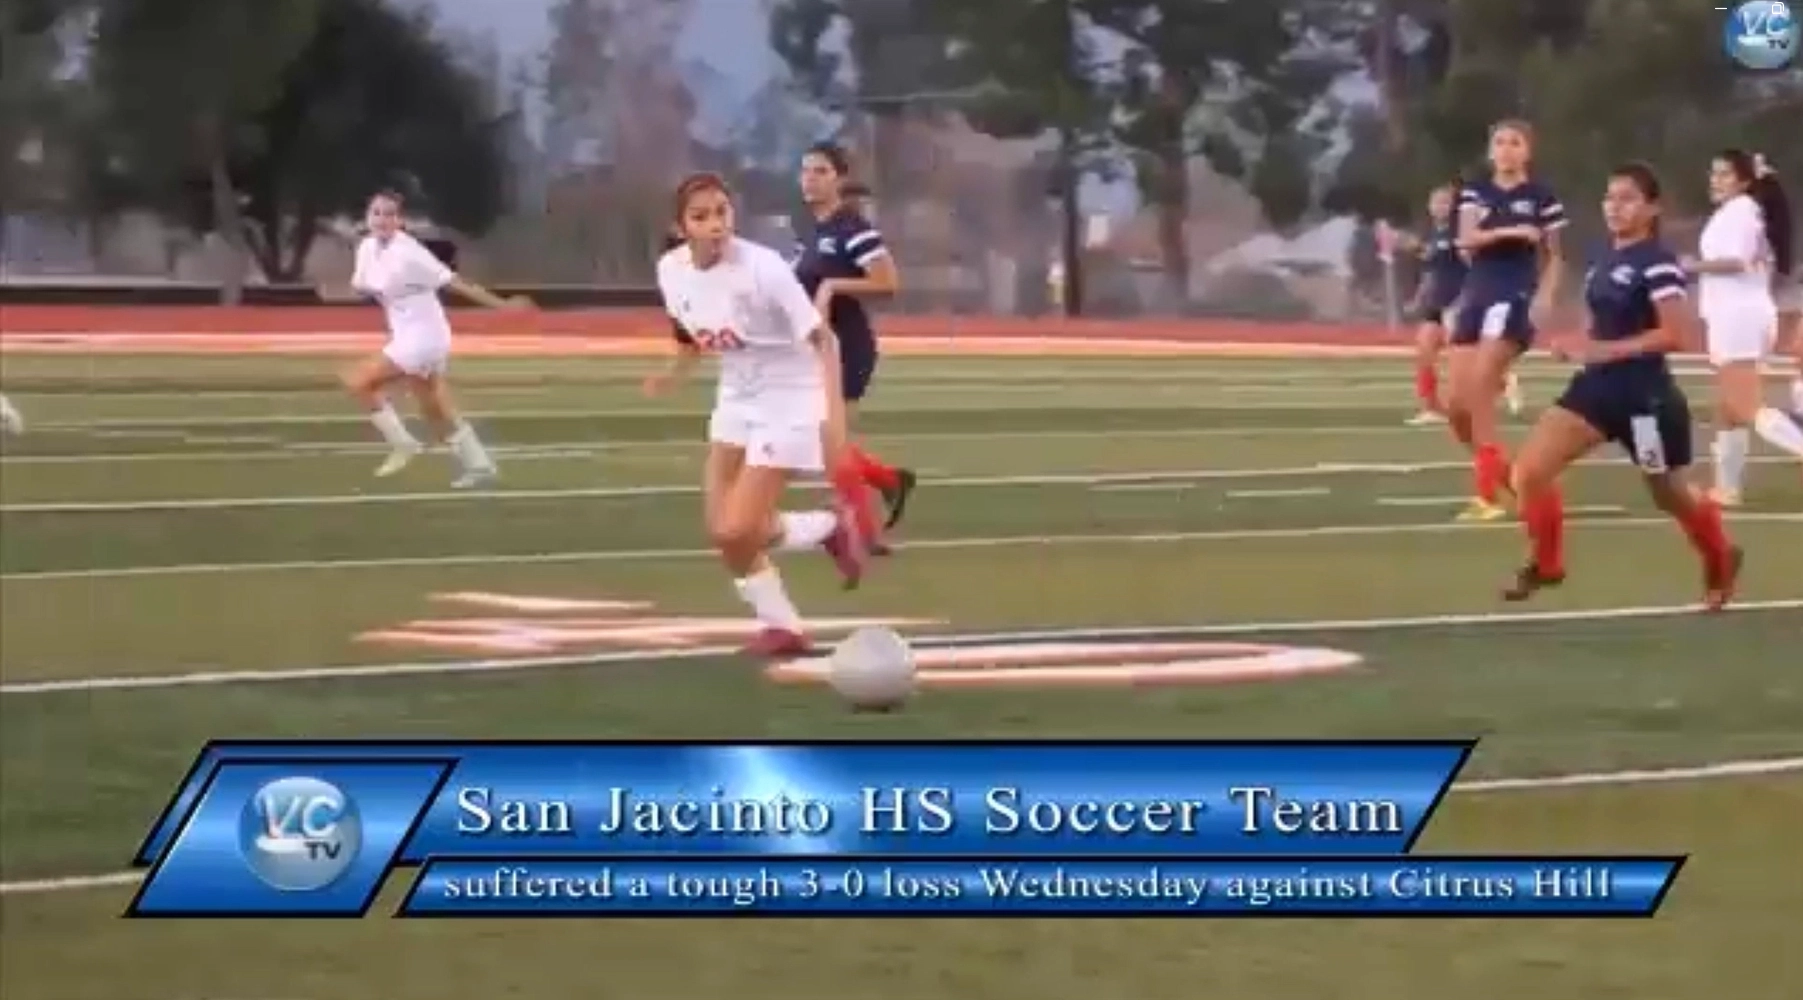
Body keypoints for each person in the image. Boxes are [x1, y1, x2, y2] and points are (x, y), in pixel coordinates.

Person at [645, 172, 867, 657]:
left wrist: (834, 419)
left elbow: (822, 339)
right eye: (700, 217)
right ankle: (785, 624)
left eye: (721, 213)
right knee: (724, 533)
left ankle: (828, 527)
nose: (715, 225)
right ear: (680, 226)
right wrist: (671, 375)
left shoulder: (763, 269)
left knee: (737, 528)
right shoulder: (671, 270)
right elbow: (689, 334)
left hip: (789, 396)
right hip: (736, 394)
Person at [1504, 162, 1741, 610]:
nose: (1615, 206)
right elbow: (1597, 323)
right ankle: (1548, 564)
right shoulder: (1602, 256)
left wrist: (1604, 350)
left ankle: (1720, 554)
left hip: (1643, 402)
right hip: (1594, 392)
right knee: (1529, 473)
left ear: (1652, 208)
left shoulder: (1659, 264)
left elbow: (1676, 335)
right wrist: (1578, 342)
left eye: (1627, 198)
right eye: (1610, 197)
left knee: (1667, 492)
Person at [343, 190, 522, 487]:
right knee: (434, 410)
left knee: (358, 380)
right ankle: (480, 465)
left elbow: (456, 283)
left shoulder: (410, 252)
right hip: (405, 335)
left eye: (389, 214)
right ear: (367, 217)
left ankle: (403, 445)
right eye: (376, 213)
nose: (382, 220)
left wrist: (501, 306)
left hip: (425, 336)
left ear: (400, 220)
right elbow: (361, 285)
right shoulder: (367, 248)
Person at [794, 142, 915, 551]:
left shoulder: (854, 229)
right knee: (819, 441)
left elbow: (887, 282)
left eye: (821, 171)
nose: (810, 178)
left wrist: (833, 285)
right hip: (816, 350)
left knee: (831, 441)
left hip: (847, 348)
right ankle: (887, 481)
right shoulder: (814, 231)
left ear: (839, 179)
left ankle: (865, 533)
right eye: (806, 171)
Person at [1448, 120, 1566, 521]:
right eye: (1498, 142)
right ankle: (1513, 478)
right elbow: (1465, 239)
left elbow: (1554, 254)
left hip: (1513, 295)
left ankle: (1486, 497)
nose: (1506, 150)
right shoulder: (1475, 192)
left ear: (1527, 151)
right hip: (1476, 294)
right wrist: (1512, 230)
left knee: (1481, 389)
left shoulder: (1541, 196)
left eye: (1514, 143)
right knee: (1457, 407)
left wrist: (1546, 297)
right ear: (1489, 151)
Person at [1684, 149, 1803, 505]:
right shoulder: (1737, 212)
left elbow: (1737, 261)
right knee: (1728, 410)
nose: (1715, 180)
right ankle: (1727, 489)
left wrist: (1693, 267)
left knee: (1746, 406)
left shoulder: (1742, 213)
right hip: (1732, 315)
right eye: (1713, 172)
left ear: (1745, 181)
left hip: (1739, 317)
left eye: (1724, 174)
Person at [1397, 183, 1466, 425]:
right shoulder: (1434, 234)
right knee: (1424, 353)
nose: (1440, 207)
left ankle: (1501, 380)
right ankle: (1431, 407)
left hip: (1458, 302)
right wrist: (1416, 299)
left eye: (1445, 202)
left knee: (1463, 359)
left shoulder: (1460, 232)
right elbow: (1430, 271)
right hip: (1437, 303)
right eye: (1436, 202)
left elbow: (1472, 265)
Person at [1749, 154, 1801, 412]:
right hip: (1771, 257)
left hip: (1767, 258)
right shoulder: (1769, 192)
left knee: (1763, 306)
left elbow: (1774, 227)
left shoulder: (1766, 192)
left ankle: (1761, 353)